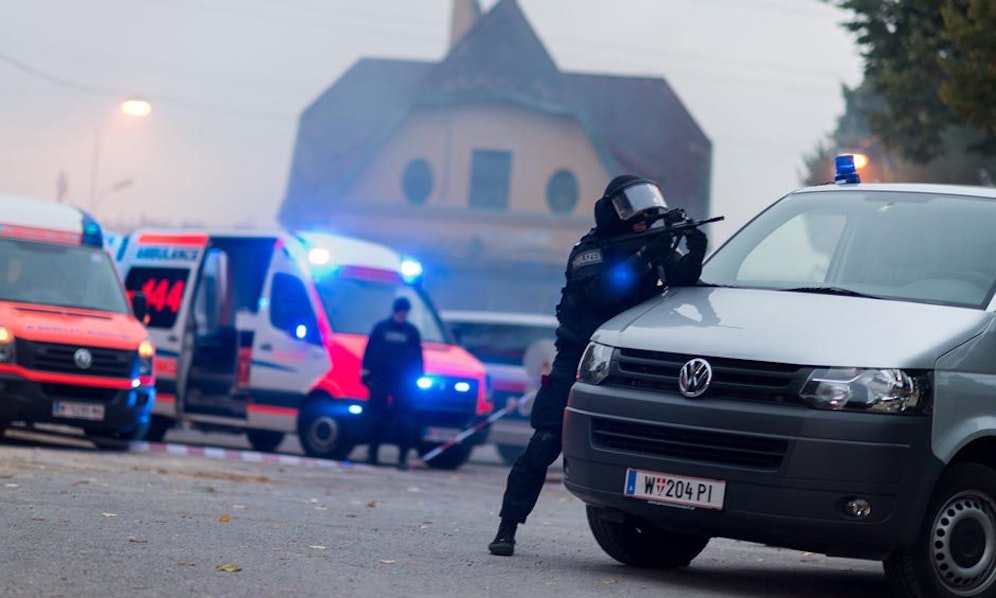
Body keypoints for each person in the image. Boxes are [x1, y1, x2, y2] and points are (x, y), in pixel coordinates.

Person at [488, 174, 708, 556]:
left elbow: (682, 284)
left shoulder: (650, 246)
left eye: (646, 213)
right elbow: (603, 291)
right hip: (579, 356)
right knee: (545, 441)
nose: (641, 220)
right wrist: (644, 258)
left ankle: (653, 534)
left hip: (630, 361)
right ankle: (508, 526)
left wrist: (694, 250)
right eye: (632, 211)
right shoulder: (590, 251)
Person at [360, 296, 425, 471]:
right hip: (382, 379)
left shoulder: (411, 332)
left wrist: (417, 377)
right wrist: (366, 371)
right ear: (396, 311)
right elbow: (370, 351)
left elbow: (418, 357)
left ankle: (402, 458)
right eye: (401, 312)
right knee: (376, 418)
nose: (402, 315)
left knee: (404, 421)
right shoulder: (381, 328)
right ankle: (372, 453)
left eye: (405, 313)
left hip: (403, 383)